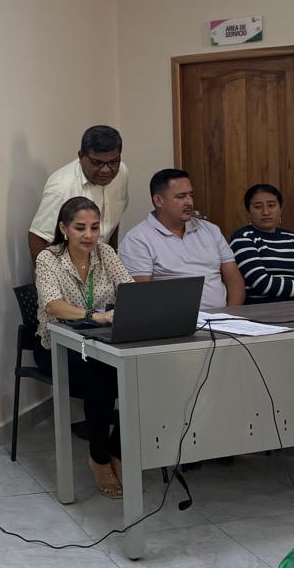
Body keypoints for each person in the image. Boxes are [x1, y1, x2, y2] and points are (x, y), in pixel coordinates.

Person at [34, 197, 134, 499]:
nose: (89, 235)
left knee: (137, 374)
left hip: (100, 341)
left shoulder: (106, 253)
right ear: (64, 229)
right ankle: (99, 458)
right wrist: (94, 315)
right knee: (101, 380)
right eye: (80, 228)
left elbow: (129, 288)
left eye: (94, 227)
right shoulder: (49, 258)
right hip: (58, 346)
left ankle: (117, 450)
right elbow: (53, 305)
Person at [118, 169, 245, 310]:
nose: (189, 202)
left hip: (223, 317)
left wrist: (230, 315)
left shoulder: (210, 230)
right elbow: (140, 296)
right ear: (158, 201)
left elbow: (234, 280)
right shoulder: (137, 239)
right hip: (172, 320)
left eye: (191, 195)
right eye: (181, 196)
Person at [29, 125, 129, 264]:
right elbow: (37, 238)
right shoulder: (62, 187)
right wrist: (50, 274)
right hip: (66, 267)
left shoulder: (122, 172)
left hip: (100, 264)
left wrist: (111, 259)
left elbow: (113, 220)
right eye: (97, 162)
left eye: (113, 162)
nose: (106, 170)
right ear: (81, 156)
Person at [230, 184, 294, 303]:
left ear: (281, 208)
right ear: (248, 212)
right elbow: (262, 283)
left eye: (271, 205)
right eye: (258, 207)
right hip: (260, 308)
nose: (266, 212)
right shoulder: (242, 237)